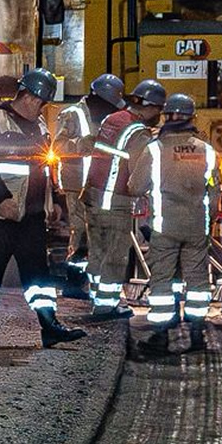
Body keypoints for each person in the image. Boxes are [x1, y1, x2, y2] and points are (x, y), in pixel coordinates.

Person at [0, 68, 88, 348]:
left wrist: (56, 202)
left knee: (37, 271)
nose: (42, 108)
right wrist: (3, 200)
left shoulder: (40, 126)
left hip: (31, 214)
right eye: (42, 103)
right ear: (32, 98)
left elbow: (48, 165)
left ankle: (49, 326)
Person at [126, 94, 221, 355]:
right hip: (196, 227)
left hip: (164, 227)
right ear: (192, 118)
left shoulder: (155, 150)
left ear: (167, 116)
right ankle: (196, 333)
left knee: (162, 282)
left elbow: (134, 187)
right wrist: (208, 220)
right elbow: (214, 191)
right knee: (198, 280)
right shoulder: (207, 151)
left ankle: (161, 337)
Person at [81, 79, 165, 321]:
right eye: (158, 109)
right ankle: (107, 306)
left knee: (98, 252)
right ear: (149, 106)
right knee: (116, 256)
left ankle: (98, 298)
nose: (159, 115)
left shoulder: (113, 119)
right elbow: (140, 172)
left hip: (92, 195)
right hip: (114, 200)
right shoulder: (138, 132)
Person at [52, 73, 126, 299]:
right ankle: (74, 283)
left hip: (104, 186)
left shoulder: (113, 117)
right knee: (81, 233)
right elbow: (58, 147)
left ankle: (96, 284)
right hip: (78, 184)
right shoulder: (72, 115)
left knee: (101, 234)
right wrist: (82, 144)